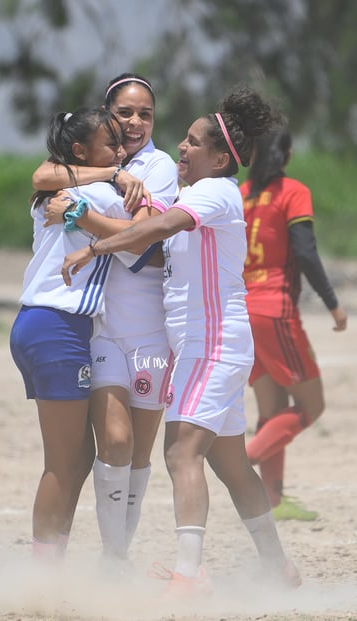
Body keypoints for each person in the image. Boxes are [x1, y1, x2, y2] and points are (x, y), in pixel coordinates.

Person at [60, 86, 302, 594]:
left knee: (180, 452)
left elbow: (159, 227)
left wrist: (94, 247)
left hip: (211, 345)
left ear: (219, 158)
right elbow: (156, 216)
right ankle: (276, 566)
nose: (181, 149)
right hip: (214, 346)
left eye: (193, 143)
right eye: (184, 140)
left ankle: (189, 575)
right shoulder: (200, 192)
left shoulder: (216, 192)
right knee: (230, 462)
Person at [32, 73, 178, 565]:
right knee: (112, 442)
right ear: (106, 116)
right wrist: (110, 175)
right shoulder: (97, 161)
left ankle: (115, 560)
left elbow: (139, 241)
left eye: (146, 114)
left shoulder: (158, 167)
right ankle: (99, 559)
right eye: (124, 113)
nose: (135, 122)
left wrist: (77, 217)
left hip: (150, 327)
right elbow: (43, 176)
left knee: (138, 455)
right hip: (95, 328)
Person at [10, 105, 147, 565]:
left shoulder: (62, 188)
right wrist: (119, 176)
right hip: (58, 328)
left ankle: (50, 569)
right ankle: (41, 580)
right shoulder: (101, 192)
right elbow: (144, 235)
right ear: (80, 152)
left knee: (79, 457)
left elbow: (44, 174)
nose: (122, 149)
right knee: (64, 463)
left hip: (39, 324)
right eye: (111, 143)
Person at [237, 126, 347, 520]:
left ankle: (274, 502)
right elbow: (304, 251)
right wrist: (333, 303)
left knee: (273, 408)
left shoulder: (239, 195)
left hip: (241, 311)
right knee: (311, 405)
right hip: (274, 310)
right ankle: (240, 459)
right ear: (285, 155)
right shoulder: (292, 191)